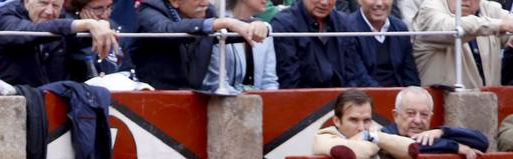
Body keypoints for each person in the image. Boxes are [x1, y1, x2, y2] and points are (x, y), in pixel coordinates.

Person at [412, 0, 513, 89]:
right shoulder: (429, 8)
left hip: (489, 108)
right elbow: (449, 28)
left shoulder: (489, 8)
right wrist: (500, 25)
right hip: (441, 112)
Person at [132, 0, 265, 89]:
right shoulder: (149, 10)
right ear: (174, 1)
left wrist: (257, 25)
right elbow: (167, 30)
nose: (205, 2)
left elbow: (233, 27)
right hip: (154, 97)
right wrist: (219, 23)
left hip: (193, 97)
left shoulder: (207, 12)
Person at [0, 0, 120, 87]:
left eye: (55, 5)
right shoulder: (6, 15)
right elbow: (29, 32)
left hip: (54, 100)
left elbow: (78, 38)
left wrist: (101, 25)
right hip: (12, 100)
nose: (49, 11)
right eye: (43, 2)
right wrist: (86, 23)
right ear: (27, 1)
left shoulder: (60, 18)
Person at [271, 0, 371, 88]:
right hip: (300, 100)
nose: (324, 2)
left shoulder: (342, 23)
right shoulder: (284, 25)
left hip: (343, 101)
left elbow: (352, 74)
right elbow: (289, 81)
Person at [387, 86, 489, 159]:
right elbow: (410, 147)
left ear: (431, 117)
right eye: (411, 113)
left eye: (424, 114)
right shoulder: (385, 134)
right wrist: (456, 147)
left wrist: (443, 132)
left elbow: (482, 143)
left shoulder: (432, 138)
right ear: (396, 116)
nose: (418, 120)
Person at [197, 0, 279, 91]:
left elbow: (269, 81)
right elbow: (216, 84)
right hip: (225, 101)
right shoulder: (218, 28)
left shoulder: (264, 28)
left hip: (259, 101)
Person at [347, 0, 419, 86]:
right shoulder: (348, 28)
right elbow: (359, 77)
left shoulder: (400, 28)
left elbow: (410, 74)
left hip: (400, 94)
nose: (379, 3)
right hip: (364, 95)